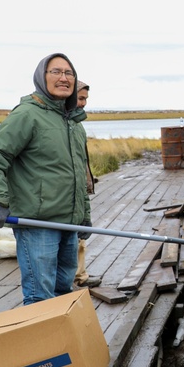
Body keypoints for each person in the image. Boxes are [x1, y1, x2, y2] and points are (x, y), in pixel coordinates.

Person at [0, 53, 91, 305]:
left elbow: (77, 174)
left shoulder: (73, 122)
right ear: (42, 77)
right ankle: (41, 345)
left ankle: (61, 345)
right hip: (37, 224)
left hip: (68, 226)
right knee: (40, 296)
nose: (63, 78)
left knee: (63, 291)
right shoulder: (27, 114)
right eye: (56, 72)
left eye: (69, 73)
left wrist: (84, 214)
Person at [74, 80, 101, 288]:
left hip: (78, 195)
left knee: (80, 241)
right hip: (63, 199)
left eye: (85, 99)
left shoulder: (77, 126)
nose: (83, 104)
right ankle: (76, 278)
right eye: (80, 98)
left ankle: (80, 276)